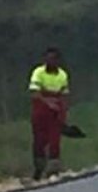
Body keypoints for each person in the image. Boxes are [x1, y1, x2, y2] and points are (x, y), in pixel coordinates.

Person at [29, 47, 69, 180]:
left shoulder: (62, 75)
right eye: (48, 59)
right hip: (40, 111)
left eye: (53, 59)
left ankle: (53, 170)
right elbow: (34, 93)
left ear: (58, 61)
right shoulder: (38, 72)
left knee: (55, 141)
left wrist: (63, 112)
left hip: (55, 113)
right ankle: (39, 168)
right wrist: (47, 101)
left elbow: (64, 95)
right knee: (39, 141)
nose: (51, 61)